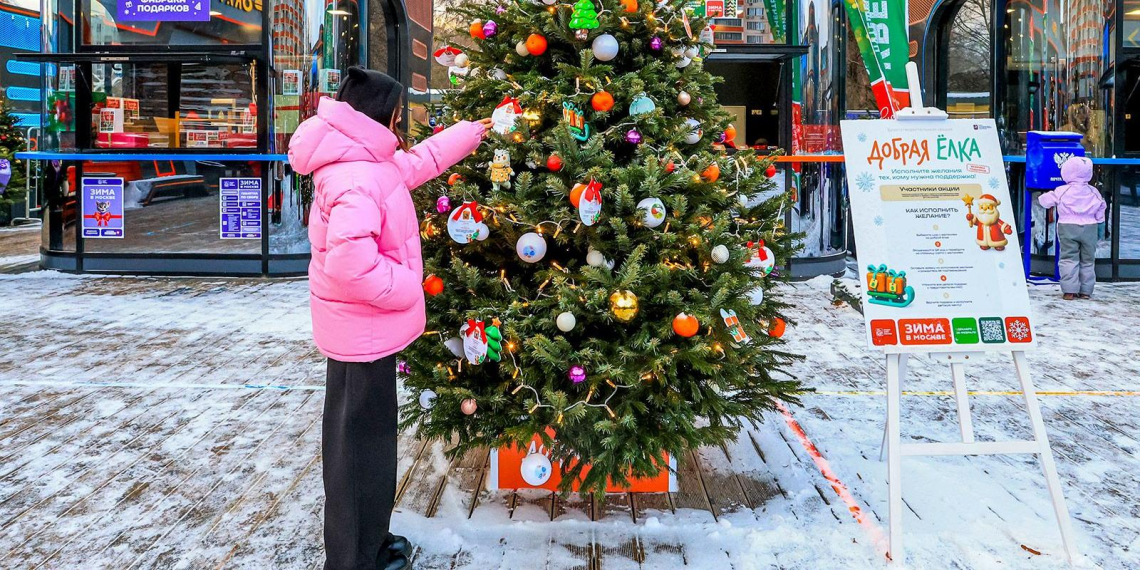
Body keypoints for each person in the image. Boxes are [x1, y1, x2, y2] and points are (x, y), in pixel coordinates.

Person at [288, 66, 491, 570]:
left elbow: (418, 162)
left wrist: (473, 131)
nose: (402, 122)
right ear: (379, 114)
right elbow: (351, 265)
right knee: (359, 455)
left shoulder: (364, 158)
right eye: (397, 112)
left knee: (366, 446)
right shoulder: (356, 177)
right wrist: (407, 286)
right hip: (362, 334)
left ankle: (369, 541)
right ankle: (355, 559)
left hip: (362, 335)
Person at [1038, 156, 1107, 300]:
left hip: (1067, 227)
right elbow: (1101, 207)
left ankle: (1069, 291)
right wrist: (1101, 226)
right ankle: (1086, 292)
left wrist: (1043, 196)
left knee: (1069, 258)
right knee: (1088, 260)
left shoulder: (1062, 190)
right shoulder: (1093, 191)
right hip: (1090, 227)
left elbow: (1045, 202)